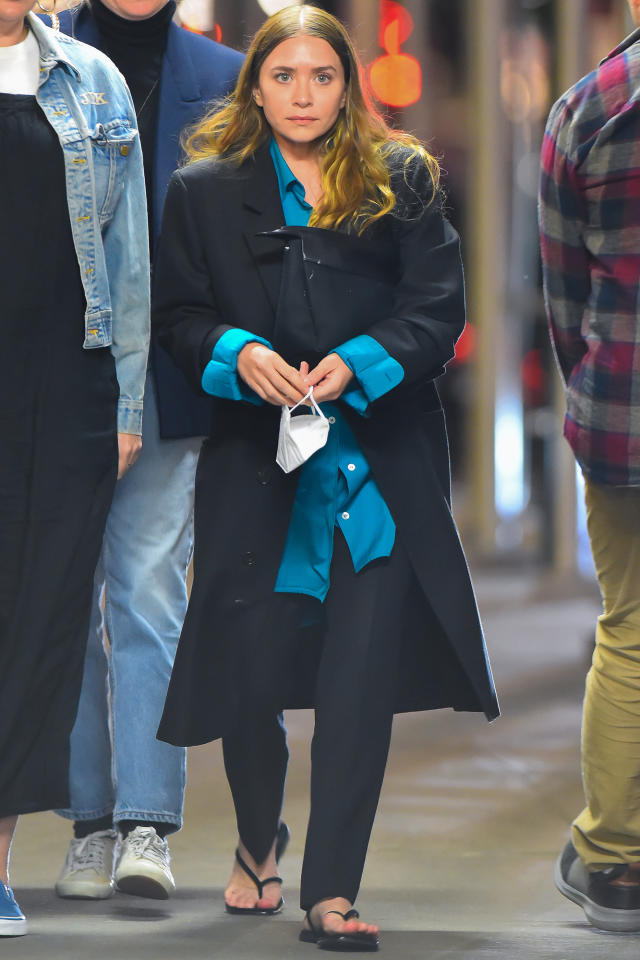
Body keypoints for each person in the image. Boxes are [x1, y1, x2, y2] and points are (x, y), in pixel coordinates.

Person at [153, 5, 498, 951]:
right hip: (252, 466)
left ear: (348, 86)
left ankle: (330, 892)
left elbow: (438, 313)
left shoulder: (404, 182)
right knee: (251, 669)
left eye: (322, 77)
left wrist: (360, 360)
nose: (303, 96)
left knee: (359, 672)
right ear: (254, 86)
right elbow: (177, 318)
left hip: (379, 467)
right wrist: (233, 350)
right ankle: (260, 841)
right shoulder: (202, 191)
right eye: (283, 77)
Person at [49, 0, 242, 901]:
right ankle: (87, 816)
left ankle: (148, 823)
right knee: (62, 597)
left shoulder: (223, 73)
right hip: (58, 374)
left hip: (170, 372)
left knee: (149, 594)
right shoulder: (43, 58)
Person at [0, 2, 149, 937]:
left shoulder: (92, 81)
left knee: (41, 627)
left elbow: (128, 256)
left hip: (68, 389)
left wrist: (127, 405)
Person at [539, 0, 640, 935]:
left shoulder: (588, 106)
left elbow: (564, 289)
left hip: (625, 419)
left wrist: (597, 392)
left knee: (631, 630)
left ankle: (614, 864)